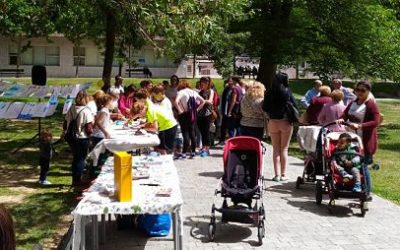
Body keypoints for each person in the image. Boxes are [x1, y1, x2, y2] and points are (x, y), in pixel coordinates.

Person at [337, 80, 380, 200]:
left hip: (365, 142)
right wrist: (341, 119)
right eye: (358, 90)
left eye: (363, 90)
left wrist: (360, 125)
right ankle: (355, 187)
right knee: (352, 165)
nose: (360, 92)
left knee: (363, 166)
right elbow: (344, 114)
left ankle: (367, 192)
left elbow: (376, 121)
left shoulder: (371, 104)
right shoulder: (353, 102)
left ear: (368, 91)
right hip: (352, 141)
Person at [263, 73, 297, 182]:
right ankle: (283, 174)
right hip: (285, 121)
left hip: (272, 121)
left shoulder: (269, 92)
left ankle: (276, 175)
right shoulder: (287, 91)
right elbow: (294, 105)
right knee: (284, 149)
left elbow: (264, 107)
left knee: (276, 149)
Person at [63, 90, 94, 186]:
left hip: (71, 137)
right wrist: (92, 136)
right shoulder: (86, 111)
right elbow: (88, 128)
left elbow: (65, 124)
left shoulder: (71, 108)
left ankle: (75, 179)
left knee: (75, 158)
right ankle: (78, 181)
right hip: (82, 138)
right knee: (81, 159)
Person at [174, 80, 205, 158]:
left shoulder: (181, 92)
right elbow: (203, 101)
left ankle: (184, 152)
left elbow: (176, 101)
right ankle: (193, 152)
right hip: (193, 114)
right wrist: (197, 110)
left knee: (185, 133)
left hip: (184, 114)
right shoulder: (193, 92)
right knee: (192, 132)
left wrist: (180, 110)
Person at [197, 77, 215, 157]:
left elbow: (210, 101)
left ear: (207, 83)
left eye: (203, 83)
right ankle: (203, 147)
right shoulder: (200, 92)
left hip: (207, 114)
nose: (201, 84)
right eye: (201, 83)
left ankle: (207, 149)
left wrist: (203, 101)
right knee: (202, 131)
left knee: (206, 132)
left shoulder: (210, 91)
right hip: (200, 114)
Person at [219, 77, 234, 143]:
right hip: (225, 110)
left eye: (231, 81)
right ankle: (222, 139)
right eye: (228, 81)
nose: (229, 83)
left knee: (231, 127)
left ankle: (231, 141)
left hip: (231, 111)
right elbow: (223, 100)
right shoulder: (226, 89)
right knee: (224, 126)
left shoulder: (234, 90)